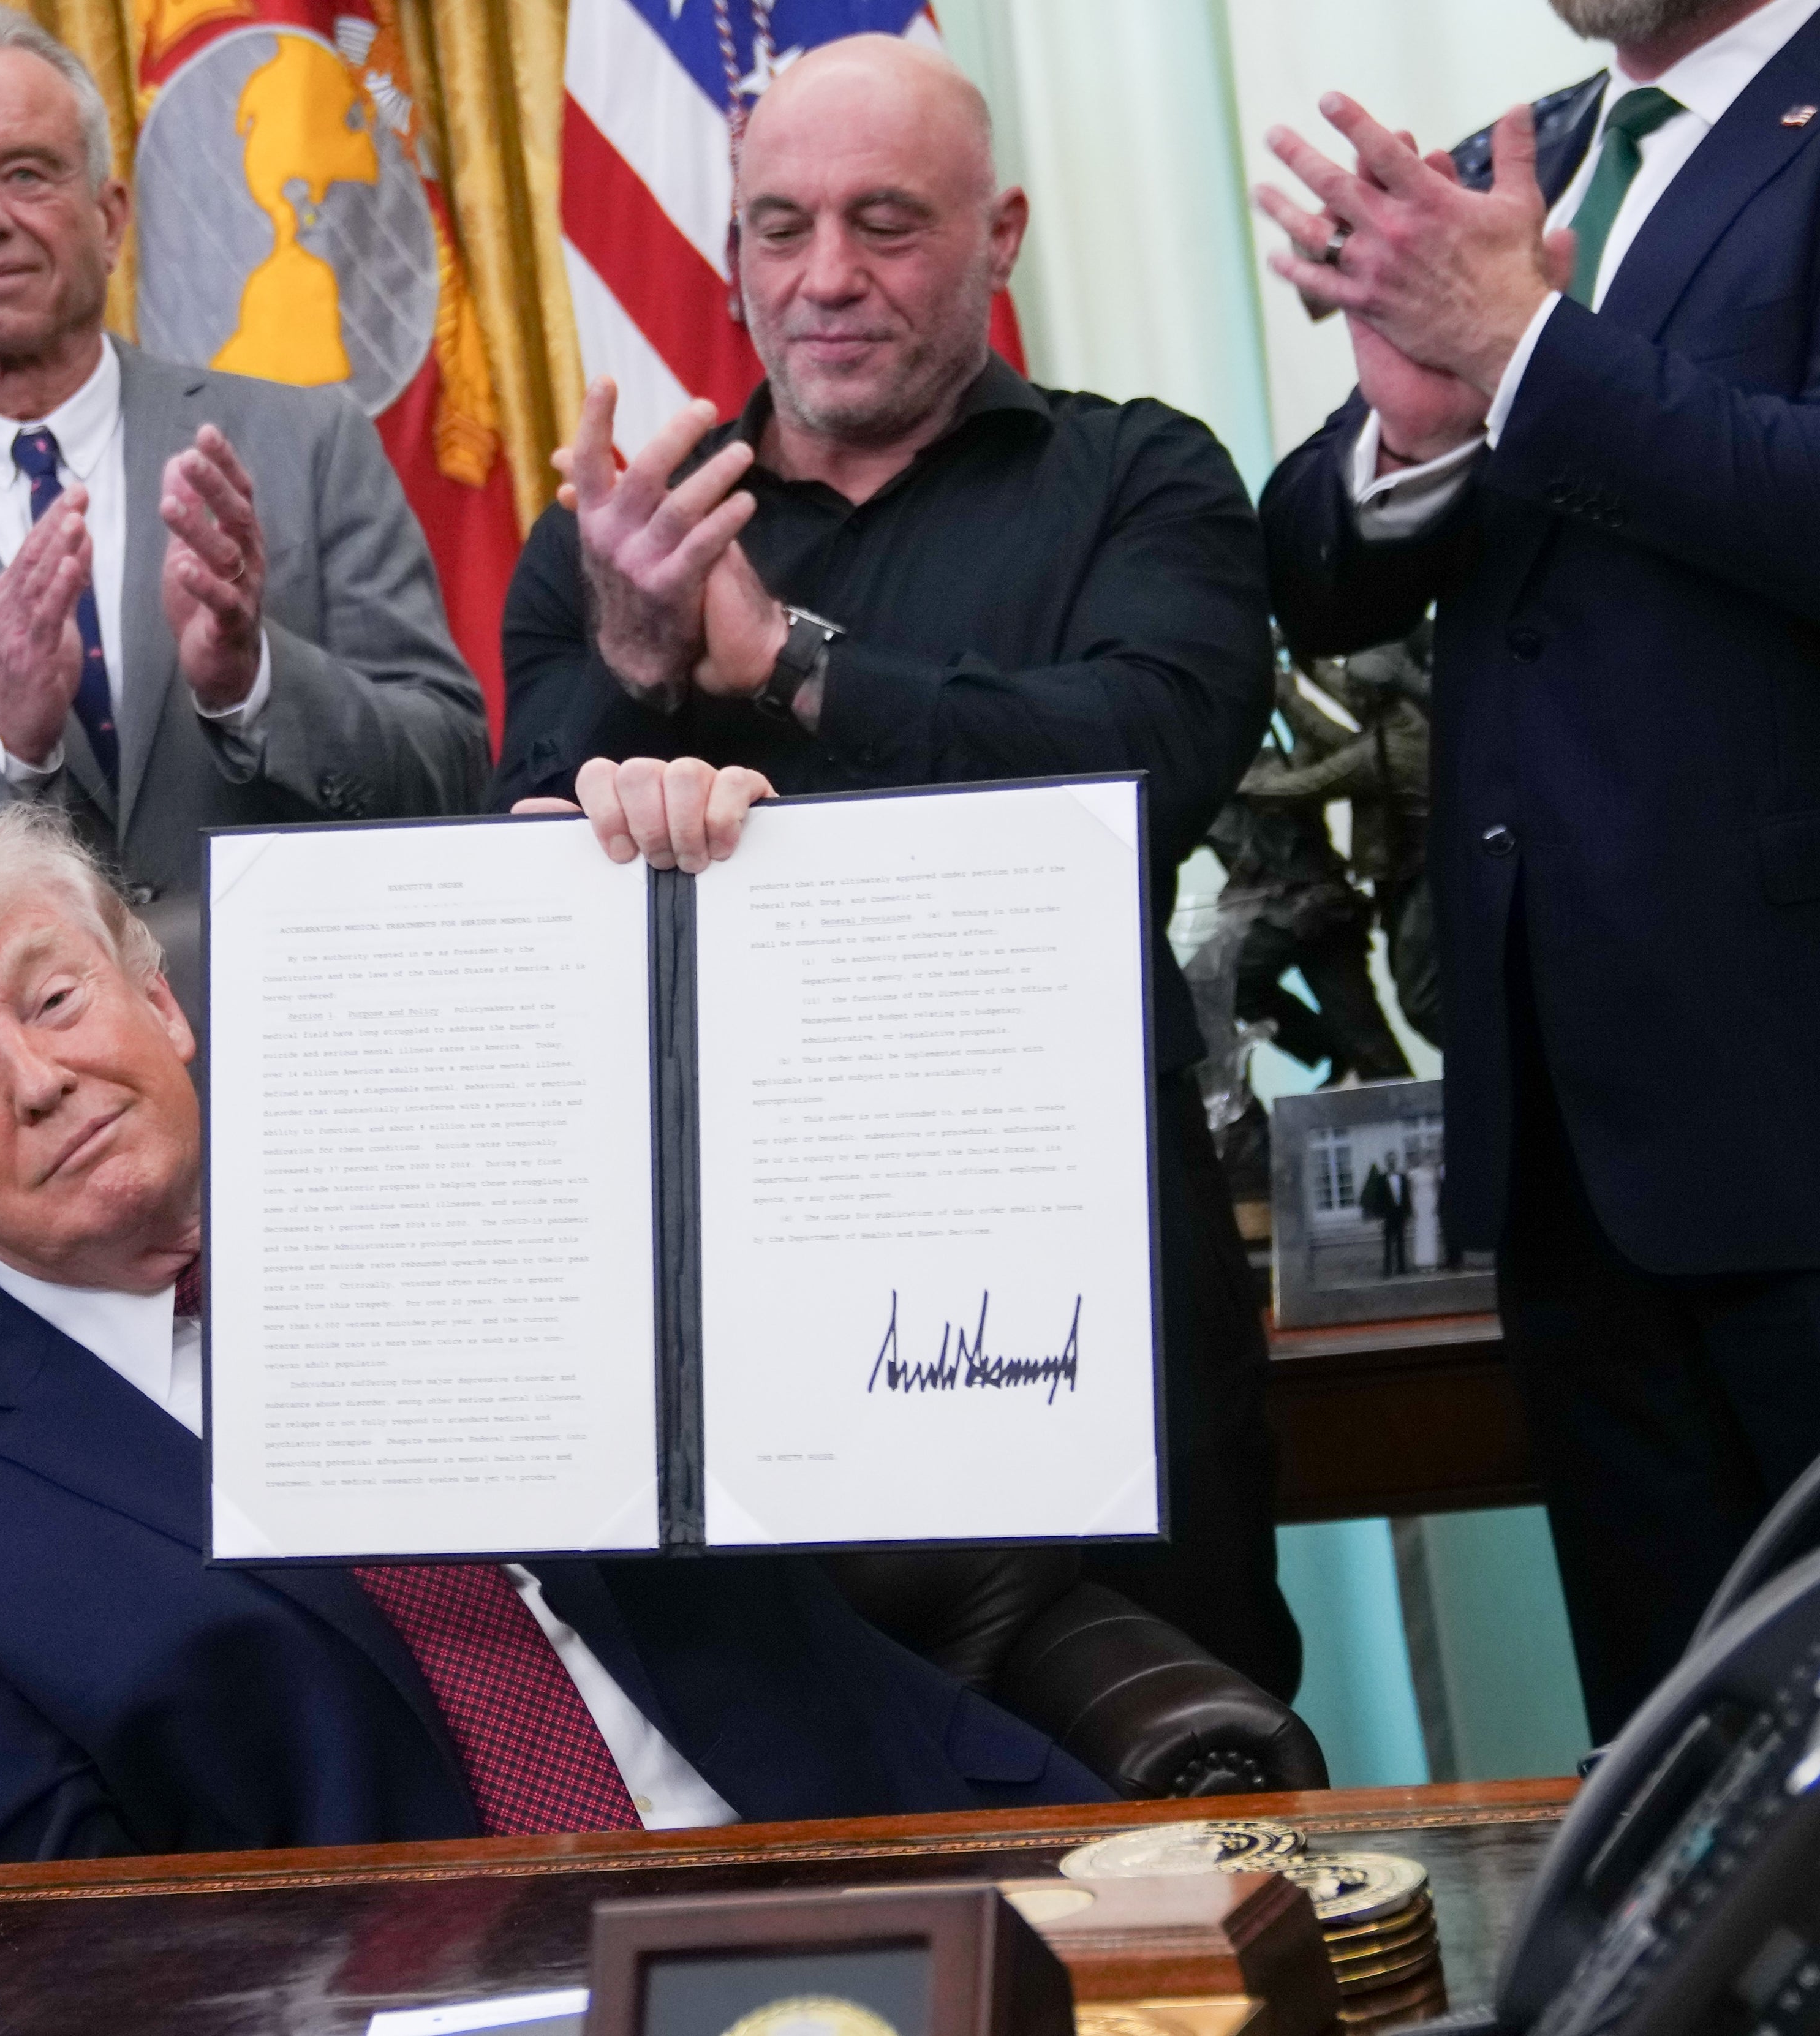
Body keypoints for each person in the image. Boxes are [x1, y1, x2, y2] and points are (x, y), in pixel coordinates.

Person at [0, 793, 1111, 1868]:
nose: (40, 1079)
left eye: (56, 1000)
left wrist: (661, 902)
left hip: (873, 1858)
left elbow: (821, 1168)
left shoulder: (496, 1186)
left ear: (161, 1005)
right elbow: (53, 1970)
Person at [492, 36, 1294, 1697]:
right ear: (730, 249)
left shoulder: (1140, 475)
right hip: (726, 1282)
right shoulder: (623, 541)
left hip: (1086, 1244)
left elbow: (1146, 760)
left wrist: (786, 663)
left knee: (1185, 1731)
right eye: (780, 227)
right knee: (798, 1768)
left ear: (1001, 236)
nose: (826, 277)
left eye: (886, 221)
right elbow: (533, 891)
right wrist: (637, 660)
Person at [0, 2, 485, 1378]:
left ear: (111, 214)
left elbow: (453, 776)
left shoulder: (303, 444)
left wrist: (255, 682)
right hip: (9, 1277)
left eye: (27, 170)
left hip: (343, 1198)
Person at [1256, 0, 1820, 1735]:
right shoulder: (1525, 161)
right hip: (1567, 1149)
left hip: (1794, 1111)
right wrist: (1417, 432)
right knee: (1671, 1774)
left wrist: (1525, 352)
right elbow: (1318, 579)